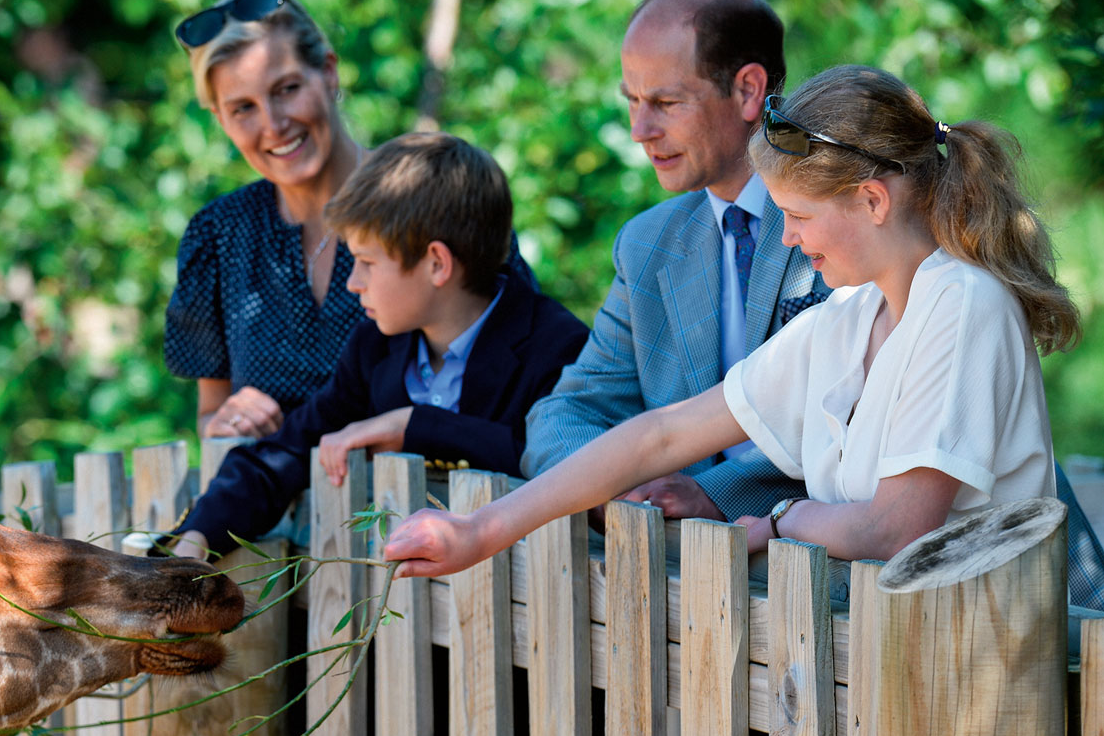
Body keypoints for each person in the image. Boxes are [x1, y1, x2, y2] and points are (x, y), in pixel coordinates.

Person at [385, 63, 1076, 576]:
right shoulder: (847, 319)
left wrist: (785, 518)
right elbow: (661, 435)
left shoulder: (961, 302)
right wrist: (480, 530)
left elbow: (894, 529)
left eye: (798, 216)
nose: (787, 239)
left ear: (872, 200)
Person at [167, 131, 588, 560]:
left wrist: (413, 426)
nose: (352, 283)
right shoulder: (375, 347)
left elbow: (557, 464)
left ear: (437, 263)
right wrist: (196, 539)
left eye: (366, 262)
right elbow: (285, 452)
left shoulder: (558, 348)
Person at [165, 0, 539, 442]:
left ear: (328, 72)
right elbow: (209, 416)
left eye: (287, 89)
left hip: (446, 484)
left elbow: (534, 380)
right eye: (243, 108)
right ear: (221, 120)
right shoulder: (217, 236)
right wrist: (228, 422)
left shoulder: (439, 196)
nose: (273, 125)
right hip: (276, 487)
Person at [521, 0, 827, 523]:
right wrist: (608, 492)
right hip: (665, 562)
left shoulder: (842, 216)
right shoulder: (646, 245)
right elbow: (565, 413)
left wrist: (712, 497)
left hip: (826, 561)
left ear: (748, 91)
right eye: (632, 101)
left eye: (665, 102)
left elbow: (845, 420)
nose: (640, 130)